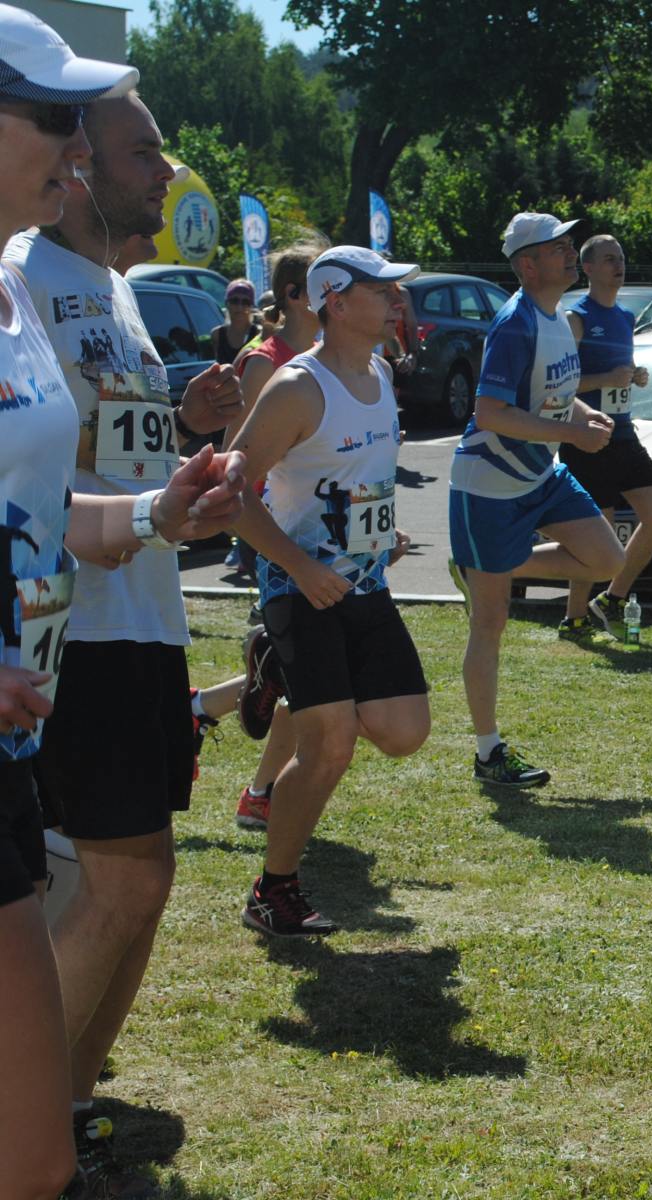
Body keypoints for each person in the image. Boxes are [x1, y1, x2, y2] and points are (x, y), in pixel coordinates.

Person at [4, 84, 248, 1197]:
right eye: (140, 151)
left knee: (138, 885)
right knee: (122, 881)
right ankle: (29, 1117)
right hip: (77, 630)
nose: (165, 171)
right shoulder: (24, 278)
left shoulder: (112, 287)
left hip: (144, 611)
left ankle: (64, 1111)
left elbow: (105, 436)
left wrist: (183, 439)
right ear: (81, 170)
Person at [226, 246, 430, 936]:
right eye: (382, 291)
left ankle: (275, 670)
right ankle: (272, 890)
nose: (397, 302)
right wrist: (301, 566)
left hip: (365, 583)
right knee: (330, 745)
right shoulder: (297, 387)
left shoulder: (379, 372)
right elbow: (232, 493)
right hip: (299, 586)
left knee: (404, 732)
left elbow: (357, 481)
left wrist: (383, 533)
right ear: (336, 302)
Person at [447, 213, 623, 786]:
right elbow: (490, 413)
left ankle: (487, 565)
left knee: (607, 559)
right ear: (527, 264)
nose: (571, 252)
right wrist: (572, 433)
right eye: (557, 247)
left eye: (570, 244)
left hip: (541, 475)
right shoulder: (515, 324)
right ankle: (488, 752)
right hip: (489, 486)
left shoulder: (557, 317)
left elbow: (551, 393)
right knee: (491, 622)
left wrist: (582, 413)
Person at [228, 242, 324, 830]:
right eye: (324, 284)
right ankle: (261, 792)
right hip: (272, 524)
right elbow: (237, 455)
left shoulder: (332, 357)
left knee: (305, 671)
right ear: (294, 295)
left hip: (323, 526)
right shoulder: (266, 361)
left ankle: (207, 708)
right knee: (308, 672)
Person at [555, 235, 652, 640]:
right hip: (587, 438)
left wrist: (635, 375)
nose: (618, 265)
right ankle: (574, 617)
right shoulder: (576, 318)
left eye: (620, 258)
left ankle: (612, 598)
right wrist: (606, 378)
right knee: (597, 535)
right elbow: (559, 385)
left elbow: (620, 370)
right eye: (608, 259)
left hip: (624, 434)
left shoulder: (625, 317)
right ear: (587, 268)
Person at [211, 277, 257, 363]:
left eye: (245, 302)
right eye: (235, 301)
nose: (240, 307)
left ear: (251, 306)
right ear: (227, 304)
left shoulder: (258, 334)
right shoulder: (217, 335)